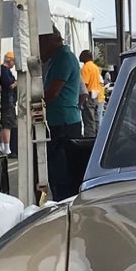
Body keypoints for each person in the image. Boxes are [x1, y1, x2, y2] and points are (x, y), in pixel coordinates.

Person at [39, 30, 83, 199]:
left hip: (63, 123)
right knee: (57, 173)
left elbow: (52, 92)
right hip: (60, 121)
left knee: (62, 173)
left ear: (50, 41)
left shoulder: (63, 58)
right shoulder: (57, 59)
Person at [79, 48, 104, 137]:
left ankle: (89, 140)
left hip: (88, 96)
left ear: (86, 57)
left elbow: (84, 85)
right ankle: (97, 138)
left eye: (81, 55)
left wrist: (81, 100)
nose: (79, 56)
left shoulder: (86, 68)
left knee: (89, 120)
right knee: (96, 119)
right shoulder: (95, 67)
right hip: (96, 95)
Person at [0, 51, 17, 156]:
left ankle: (5, 146)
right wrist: (16, 83)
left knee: (7, 124)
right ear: (9, 60)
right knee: (7, 124)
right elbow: (8, 84)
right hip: (6, 102)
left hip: (8, 101)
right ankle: (7, 148)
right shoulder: (3, 71)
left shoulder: (5, 71)